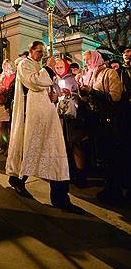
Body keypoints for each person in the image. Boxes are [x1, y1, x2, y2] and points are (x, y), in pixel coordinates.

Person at [6, 41, 79, 213]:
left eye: (42, 52)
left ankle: (60, 196)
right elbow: (33, 82)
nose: (40, 54)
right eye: (38, 51)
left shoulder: (39, 65)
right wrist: (48, 68)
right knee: (31, 146)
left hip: (47, 113)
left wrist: (54, 94)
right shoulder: (25, 64)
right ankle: (17, 179)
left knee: (53, 150)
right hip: (32, 115)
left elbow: (50, 86)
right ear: (30, 51)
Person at [77, 50, 122, 204]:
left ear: (95, 58)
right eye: (84, 60)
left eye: (87, 60)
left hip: (107, 120)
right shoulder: (90, 74)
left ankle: (114, 191)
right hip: (95, 120)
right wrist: (81, 90)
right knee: (102, 155)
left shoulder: (109, 73)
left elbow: (115, 96)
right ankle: (108, 187)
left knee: (111, 155)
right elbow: (87, 98)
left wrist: (93, 91)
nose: (86, 63)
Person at [54, 58, 87, 187]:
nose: (59, 69)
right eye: (57, 67)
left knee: (75, 144)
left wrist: (71, 94)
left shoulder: (73, 78)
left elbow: (81, 95)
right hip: (60, 115)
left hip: (73, 116)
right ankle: (69, 172)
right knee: (64, 144)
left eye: (61, 67)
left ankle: (81, 175)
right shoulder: (55, 79)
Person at [0, 60, 15, 154]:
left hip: (9, 103)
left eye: (7, 65)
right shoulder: (0, 76)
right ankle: (3, 145)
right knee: (2, 126)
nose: (5, 67)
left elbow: (14, 89)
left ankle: (11, 147)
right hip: (1, 102)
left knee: (10, 125)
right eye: (4, 65)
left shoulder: (13, 76)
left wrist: (7, 90)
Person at [119, 46, 131, 201]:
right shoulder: (120, 72)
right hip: (124, 113)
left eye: (128, 51)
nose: (126, 55)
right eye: (124, 53)